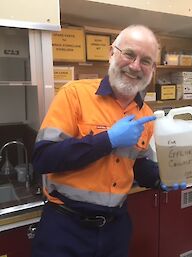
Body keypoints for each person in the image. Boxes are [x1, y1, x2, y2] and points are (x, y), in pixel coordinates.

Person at [32, 24, 162, 257]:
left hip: (115, 231)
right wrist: (108, 140)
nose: (135, 66)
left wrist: (165, 177)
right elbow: (43, 158)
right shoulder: (74, 94)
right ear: (112, 53)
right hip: (65, 229)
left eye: (146, 61)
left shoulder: (146, 115)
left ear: (153, 69)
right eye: (129, 54)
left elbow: (138, 166)